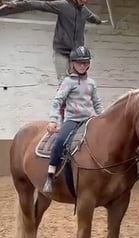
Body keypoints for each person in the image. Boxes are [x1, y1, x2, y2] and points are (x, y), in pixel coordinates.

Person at [3, 0, 105, 83]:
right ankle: (62, 96)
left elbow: (92, 17)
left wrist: (99, 21)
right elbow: (42, 5)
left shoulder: (84, 11)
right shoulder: (63, 6)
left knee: (77, 81)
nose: (84, 0)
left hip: (76, 54)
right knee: (63, 80)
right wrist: (18, 4)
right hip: (61, 51)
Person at [42, 46, 104, 193]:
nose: (82, 66)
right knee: (60, 141)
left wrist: (103, 118)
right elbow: (58, 101)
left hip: (89, 120)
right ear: (73, 64)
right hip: (72, 120)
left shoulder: (92, 83)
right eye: (79, 63)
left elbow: (97, 103)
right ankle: (50, 175)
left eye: (85, 62)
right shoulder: (68, 82)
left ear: (88, 64)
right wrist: (53, 119)